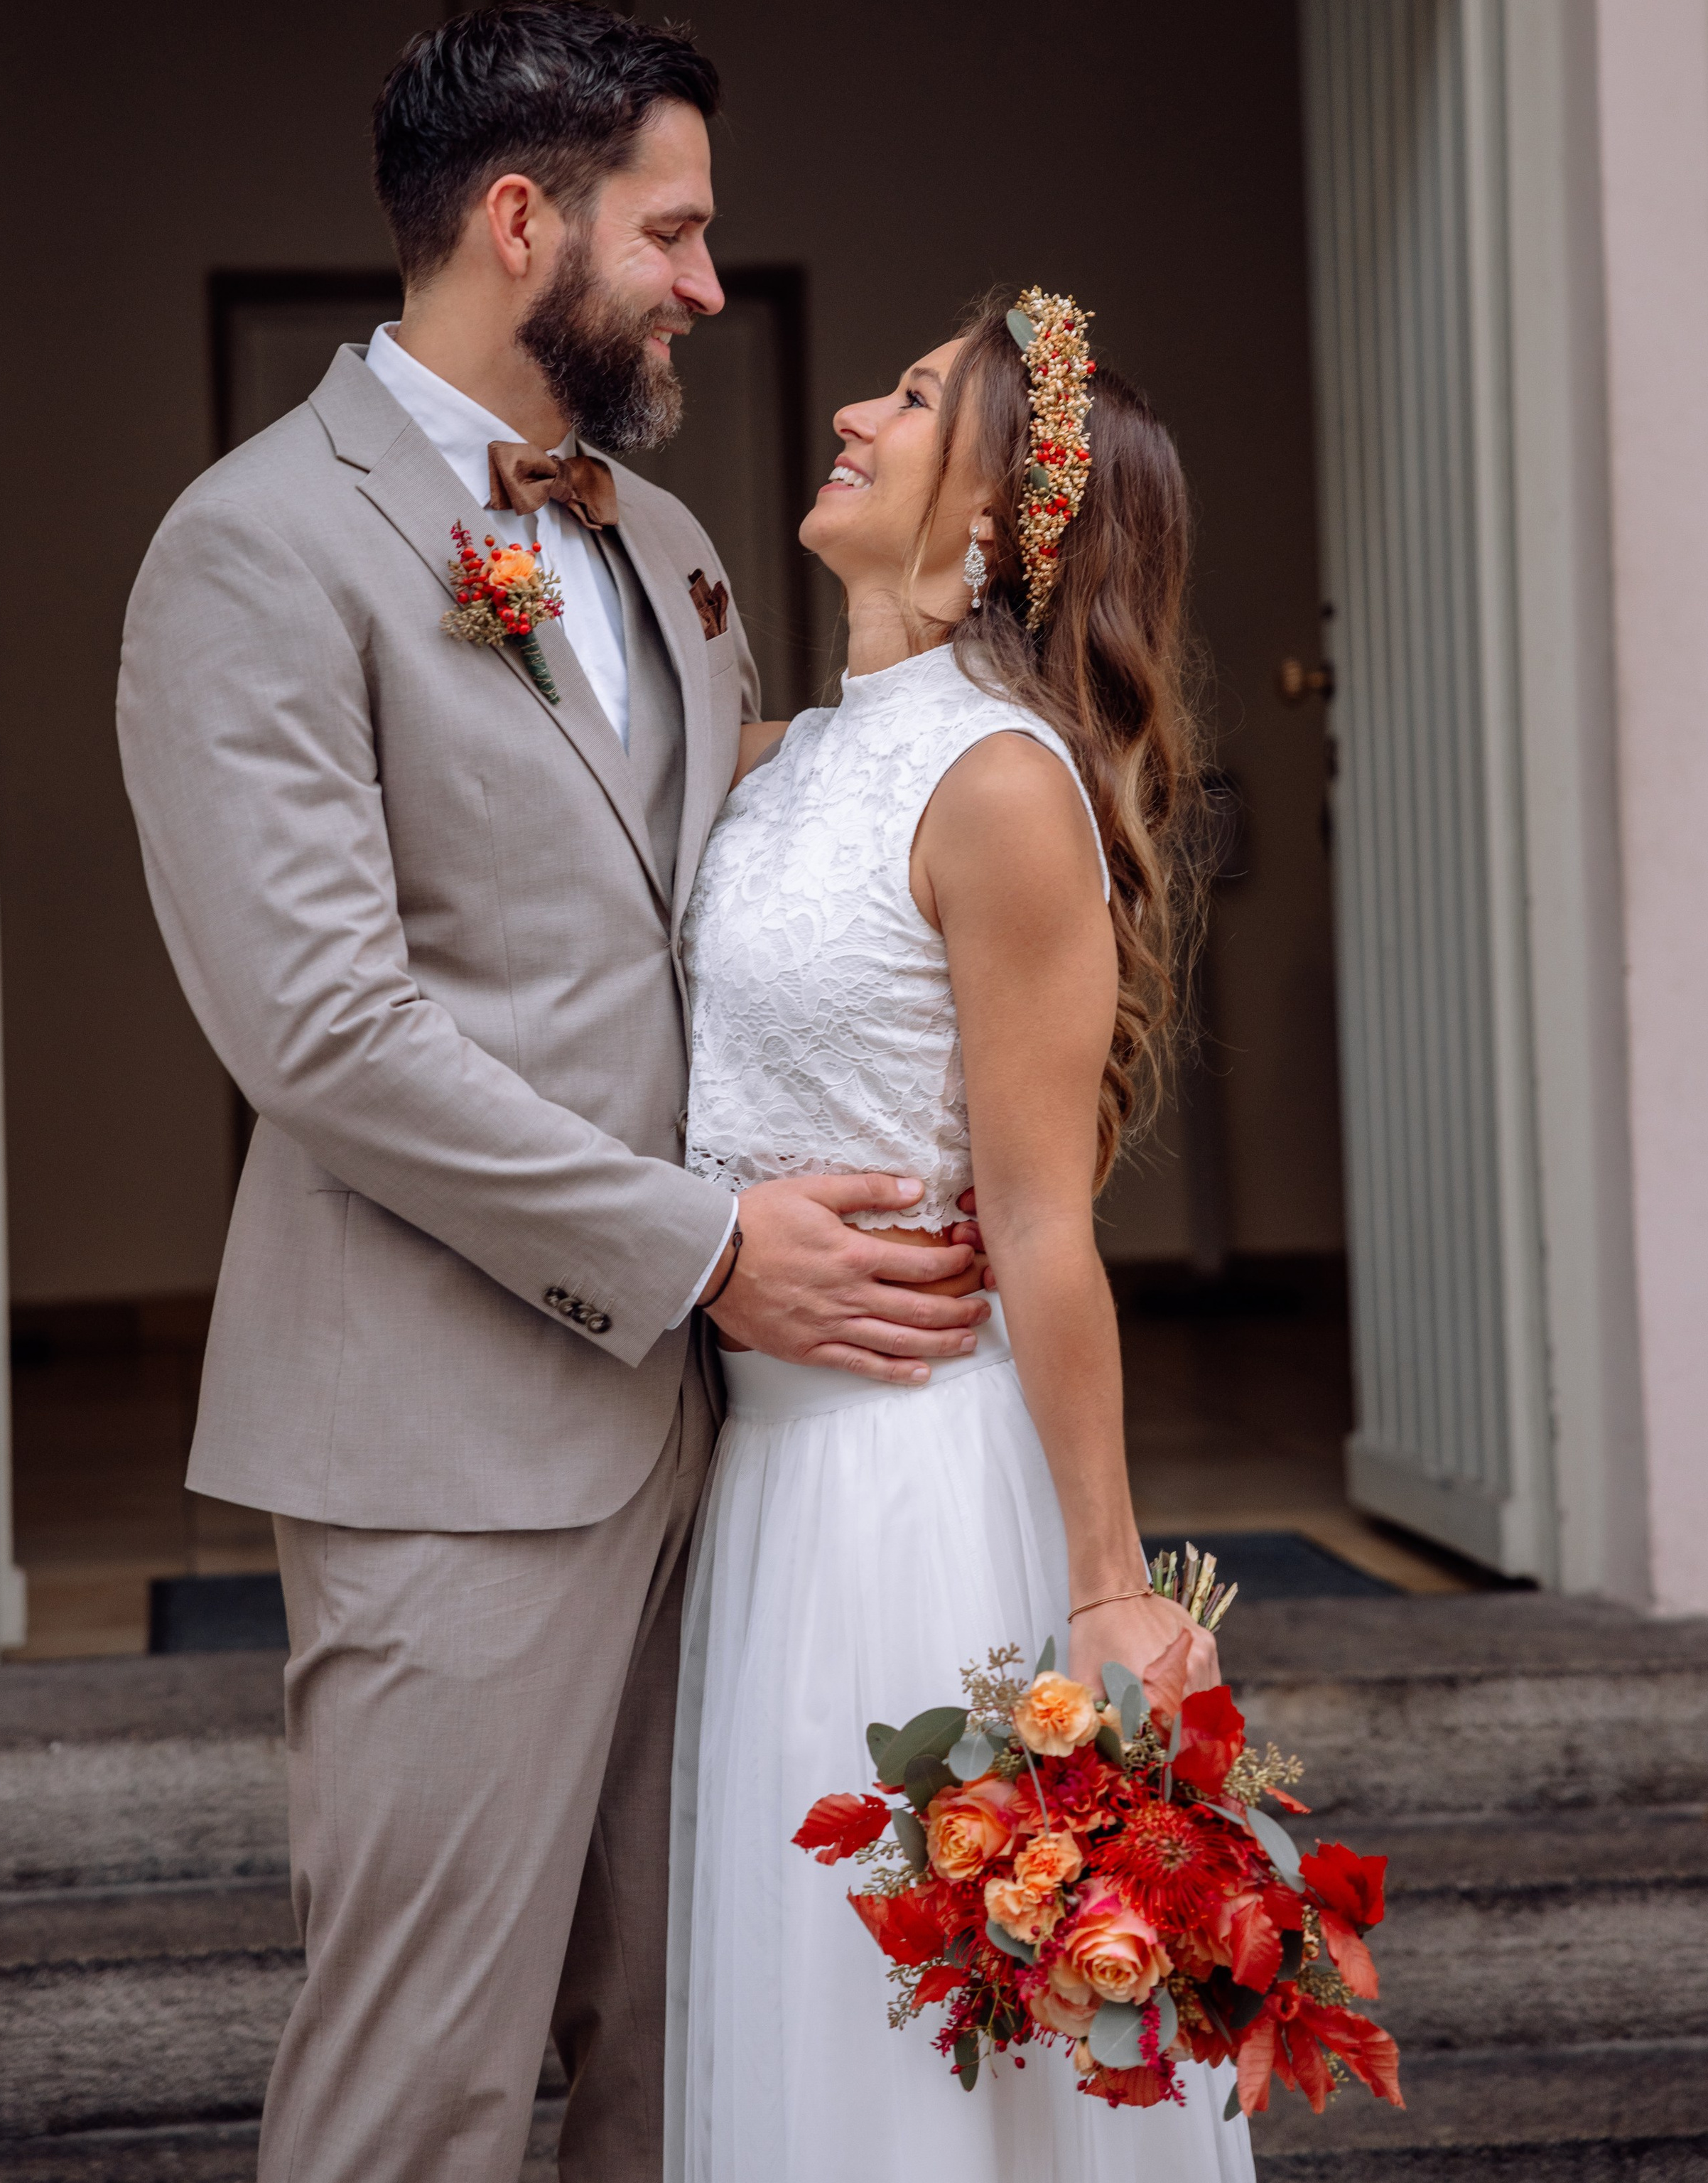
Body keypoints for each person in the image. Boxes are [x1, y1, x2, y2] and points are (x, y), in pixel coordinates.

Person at [116, 1, 993, 2183]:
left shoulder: (681, 550)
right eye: (673, 234)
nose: (708, 285)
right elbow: (319, 1030)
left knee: (685, 2053)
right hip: (445, 1439)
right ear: (524, 223)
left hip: (727, 1454)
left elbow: (730, 906)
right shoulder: (251, 549)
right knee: (421, 2076)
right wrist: (708, 1250)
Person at [668, 289, 1252, 2178]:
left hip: (908, 1491)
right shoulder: (777, 760)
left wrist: (1104, 1584)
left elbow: (1043, 1225)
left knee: (916, 2054)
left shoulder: (1001, 786)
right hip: (756, 1477)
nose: (852, 411)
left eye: (913, 402)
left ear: (1004, 509)